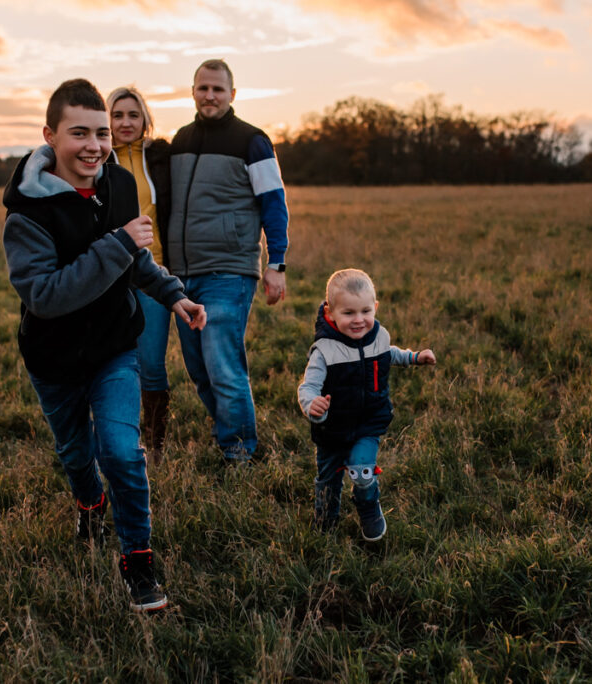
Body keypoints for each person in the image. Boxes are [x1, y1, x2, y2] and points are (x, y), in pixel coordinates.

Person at [2, 78, 206, 612]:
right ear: (50, 135)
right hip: (54, 359)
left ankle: (138, 560)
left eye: (100, 133)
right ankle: (89, 502)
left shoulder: (117, 182)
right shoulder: (27, 212)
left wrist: (174, 295)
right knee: (76, 454)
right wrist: (117, 244)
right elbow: (46, 295)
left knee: (121, 451)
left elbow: (136, 258)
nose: (94, 145)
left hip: (116, 346)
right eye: (79, 133)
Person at [167, 59, 290, 463]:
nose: (210, 96)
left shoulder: (252, 141)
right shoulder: (180, 141)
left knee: (222, 365)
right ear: (193, 91)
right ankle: (229, 432)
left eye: (218, 89)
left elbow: (274, 202)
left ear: (232, 95)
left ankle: (239, 452)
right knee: (199, 369)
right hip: (183, 275)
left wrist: (277, 263)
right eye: (203, 88)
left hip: (229, 271)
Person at [297, 269, 436, 541]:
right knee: (328, 480)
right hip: (332, 428)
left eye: (365, 311)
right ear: (330, 312)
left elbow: (390, 353)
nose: (359, 320)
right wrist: (311, 403)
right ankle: (326, 522)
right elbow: (309, 386)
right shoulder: (324, 350)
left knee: (362, 470)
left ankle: (368, 505)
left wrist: (415, 357)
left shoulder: (379, 336)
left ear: (376, 308)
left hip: (367, 422)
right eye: (348, 313)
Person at [105, 86, 174, 464]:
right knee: (115, 363)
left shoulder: (161, 158)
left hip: (154, 276)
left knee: (151, 364)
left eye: (133, 115)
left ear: (145, 119)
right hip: (109, 279)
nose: (126, 122)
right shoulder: (96, 159)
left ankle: (155, 445)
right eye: (117, 115)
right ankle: (119, 441)